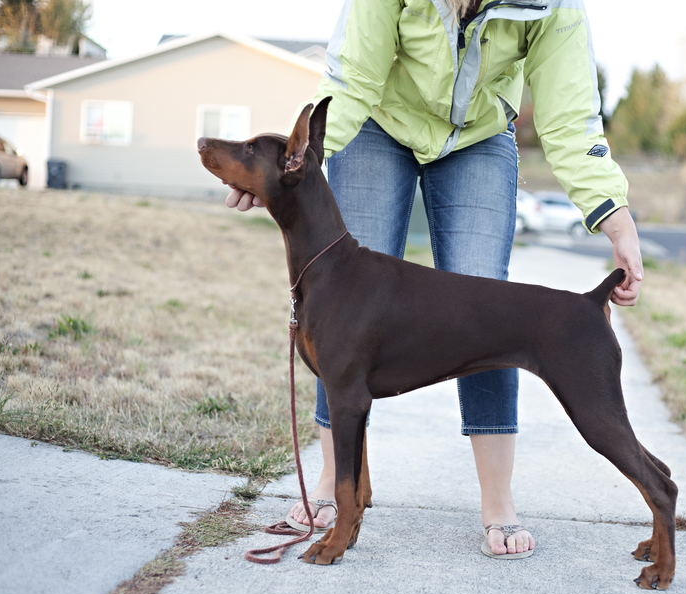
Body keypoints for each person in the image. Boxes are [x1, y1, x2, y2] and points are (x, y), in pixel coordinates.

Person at [226, 0, 644, 559]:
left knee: (486, 296)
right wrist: (285, 176)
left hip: (478, 136)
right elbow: (351, 81)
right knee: (339, 313)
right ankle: (335, 488)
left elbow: (570, 118)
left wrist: (614, 216)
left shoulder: (552, 5)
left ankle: (498, 501)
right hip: (379, 120)